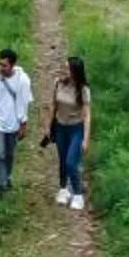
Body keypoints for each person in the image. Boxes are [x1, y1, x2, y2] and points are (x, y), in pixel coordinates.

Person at [0, 48, 33, 195]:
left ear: (13, 65)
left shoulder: (23, 80)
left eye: (4, 65)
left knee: (9, 153)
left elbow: (24, 103)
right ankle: (2, 183)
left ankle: (7, 176)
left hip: (13, 122)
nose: (1, 68)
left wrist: (23, 125)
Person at [43, 54, 91, 209]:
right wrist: (47, 127)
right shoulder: (58, 83)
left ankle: (77, 193)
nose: (63, 70)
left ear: (74, 71)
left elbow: (87, 115)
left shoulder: (83, 89)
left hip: (76, 128)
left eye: (66, 68)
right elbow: (53, 106)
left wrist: (85, 138)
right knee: (62, 160)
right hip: (60, 126)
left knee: (71, 161)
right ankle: (63, 189)